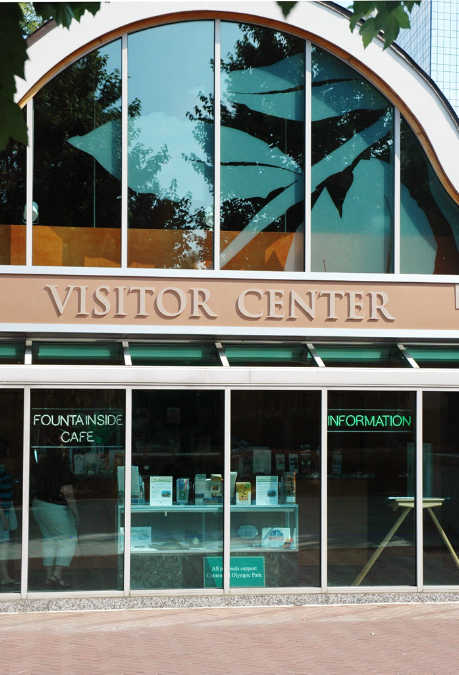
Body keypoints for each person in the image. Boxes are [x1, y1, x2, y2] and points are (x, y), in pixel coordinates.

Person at [31, 445, 80, 588]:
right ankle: (56, 574)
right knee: (70, 539)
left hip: (38, 504)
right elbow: (68, 492)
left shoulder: (41, 465)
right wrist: (76, 514)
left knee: (50, 540)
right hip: (54, 507)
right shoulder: (62, 467)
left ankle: (49, 577)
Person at [0, 444, 19, 586]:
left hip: (5, 513)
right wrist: (3, 518)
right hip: (2, 515)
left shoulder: (3, 471)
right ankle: (5, 576)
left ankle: (5, 575)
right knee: (4, 546)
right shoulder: (1, 472)